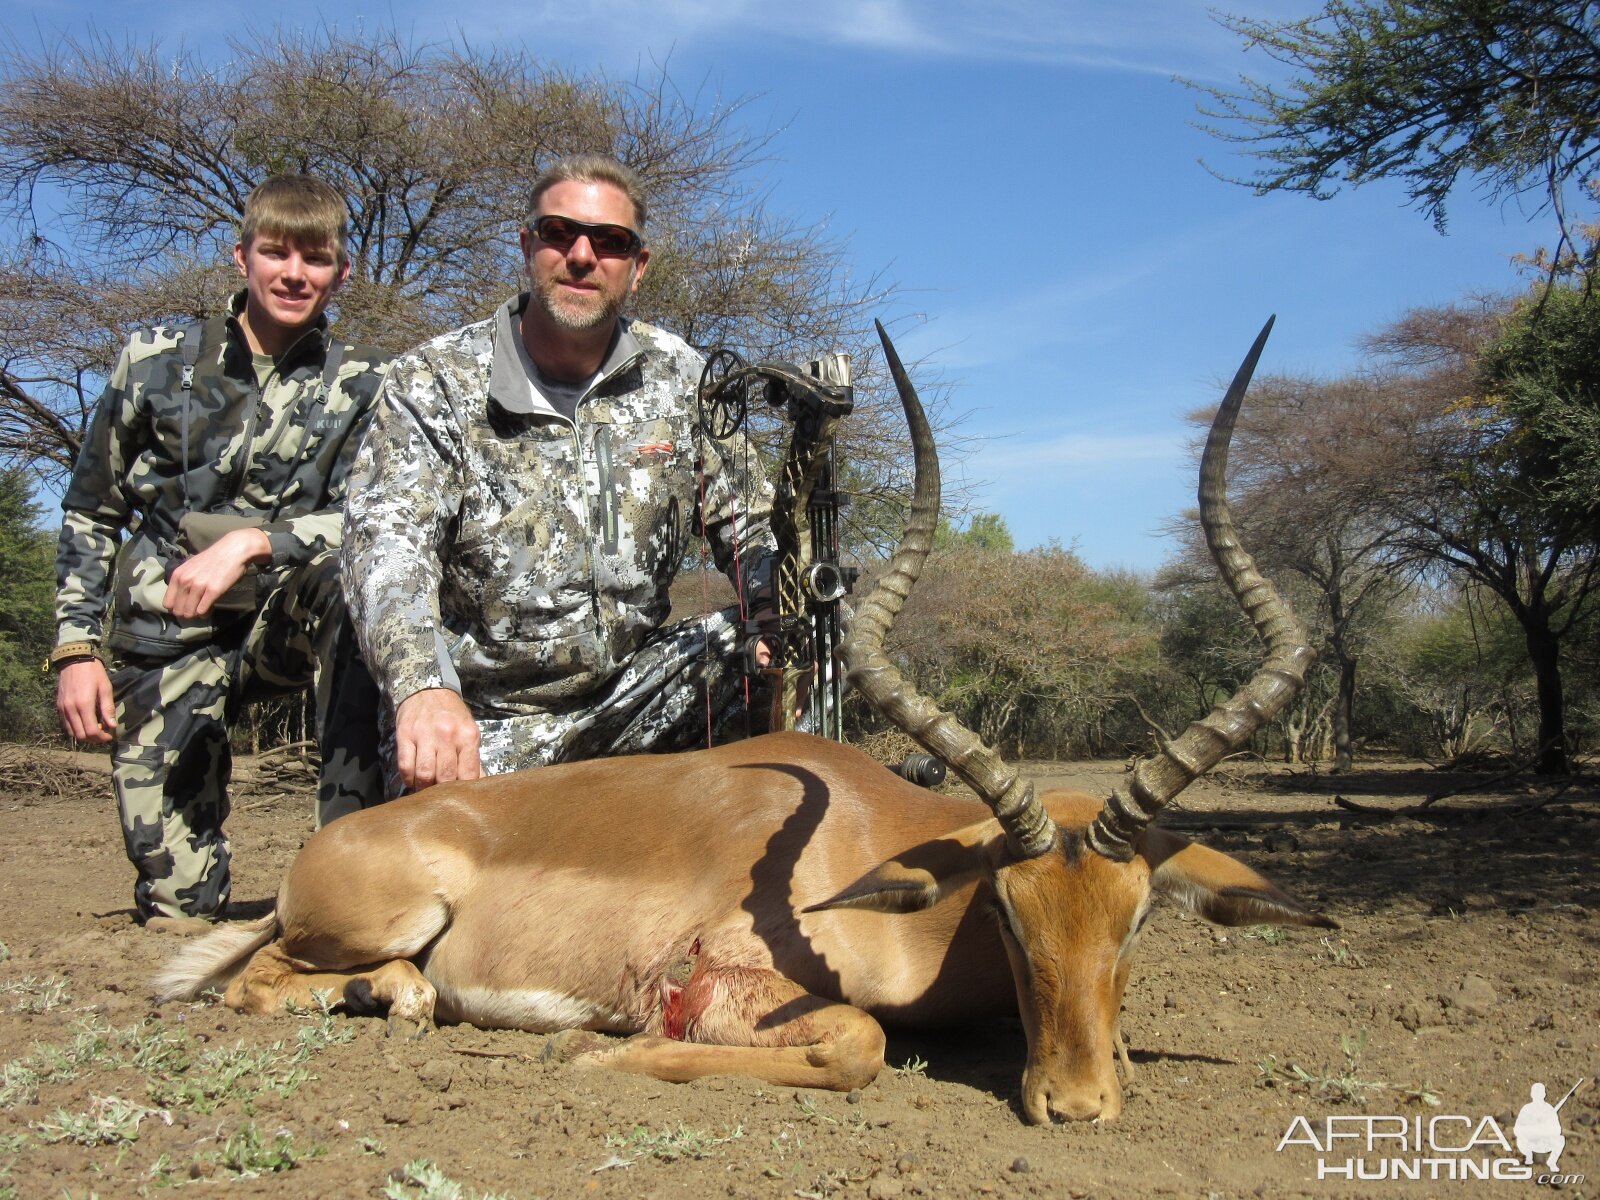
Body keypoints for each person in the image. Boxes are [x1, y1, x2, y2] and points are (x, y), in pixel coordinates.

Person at [342, 155, 777, 793]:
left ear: (638, 266)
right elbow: (387, 544)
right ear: (528, 246)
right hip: (486, 722)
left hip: (636, 692)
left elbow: (752, 523)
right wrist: (425, 690)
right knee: (451, 865)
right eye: (558, 233)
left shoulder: (684, 376)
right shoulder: (432, 379)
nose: (581, 255)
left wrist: (771, 613)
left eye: (610, 242)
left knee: (807, 634)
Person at [51, 174, 390, 927]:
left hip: (284, 621)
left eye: (316, 257)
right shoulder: (152, 361)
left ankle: (354, 873)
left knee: (360, 584)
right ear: (242, 257)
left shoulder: (368, 383)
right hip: (165, 635)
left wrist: (253, 542)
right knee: (179, 908)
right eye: (276, 252)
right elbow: (89, 509)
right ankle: (185, 879)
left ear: (342, 271)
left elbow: (375, 517)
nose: (294, 273)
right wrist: (76, 650)